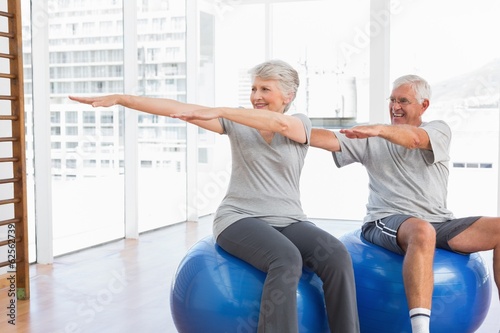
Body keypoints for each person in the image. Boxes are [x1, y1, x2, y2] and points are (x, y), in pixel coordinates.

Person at [69, 59, 360, 333]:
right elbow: (177, 107)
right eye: (253, 88)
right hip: (239, 218)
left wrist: (220, 110)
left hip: (289, 219)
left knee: (336, 254)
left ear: (288, 95)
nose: (256, 95)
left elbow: (279, 125)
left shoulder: (299, 123)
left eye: (264, 89)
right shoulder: (237, 122)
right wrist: (124, 99)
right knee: (285, 259)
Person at [310, 74, 500, 333]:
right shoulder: (370, 137)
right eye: (392, 100)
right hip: (385, 219)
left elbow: (414, 139)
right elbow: (330, 139)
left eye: (403, 101)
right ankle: (421, 330)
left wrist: (377, 129)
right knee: (422, 231)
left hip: (439, 220)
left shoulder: (438, 130)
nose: (395, 106)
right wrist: (294, 129)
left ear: (424, 106)